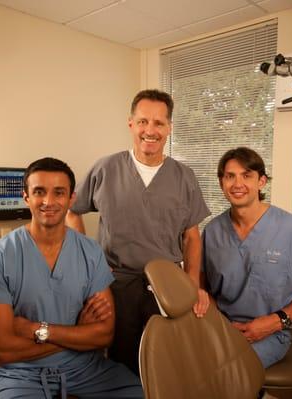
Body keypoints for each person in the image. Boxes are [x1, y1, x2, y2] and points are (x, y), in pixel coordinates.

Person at [0, 157, 143, 399]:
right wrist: (77, 334)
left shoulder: (90, 252)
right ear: (26, 197)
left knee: (142, 393)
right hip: (21, 375)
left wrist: (36, 329)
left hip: (87, 370)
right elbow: (0, 351)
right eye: (39, 192)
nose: (49, 201)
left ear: (71, 199)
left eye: (59, 193)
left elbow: (103, 334)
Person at [66, 89, 211, 375]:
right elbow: (73, 210)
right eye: (143, 121)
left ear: (169, 127)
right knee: (123, 361)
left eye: (159, 123)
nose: (150, 130)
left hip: (167, 286)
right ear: (131, 123)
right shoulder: (106, 168)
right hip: (118, 284)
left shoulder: (184, 176)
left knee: (168, 363)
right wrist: (89, 260)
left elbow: (192, 236)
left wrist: (192, 284)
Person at [202, 147, 292, 369]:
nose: (237, 184)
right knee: (180, 363)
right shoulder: (212, 231)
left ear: (261, 181)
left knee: (224, 371)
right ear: (221, 182)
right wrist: (220, 324)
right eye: (230, 176)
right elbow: (203, 287)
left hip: (270, 333)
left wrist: (275, 321)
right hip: (222, 328)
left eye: (247, 175)